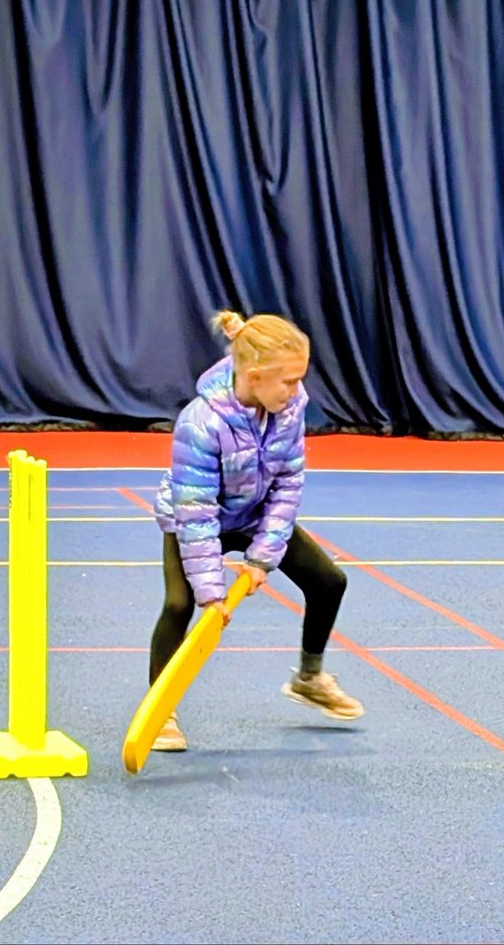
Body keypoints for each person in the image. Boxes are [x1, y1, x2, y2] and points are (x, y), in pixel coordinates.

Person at [148, 309, 363, 752]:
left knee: (329, 582)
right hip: (196, 518)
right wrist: (212, 593)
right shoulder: (200, 423)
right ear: (254, 374)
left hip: (252, 515)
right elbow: (196, 513)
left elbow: (288, 483)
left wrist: (263, 556)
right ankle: (160, 707)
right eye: (287, 381)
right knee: (178, 603)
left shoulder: (289, 407)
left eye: (299, 379)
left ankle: (309, 678)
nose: (297, 389)